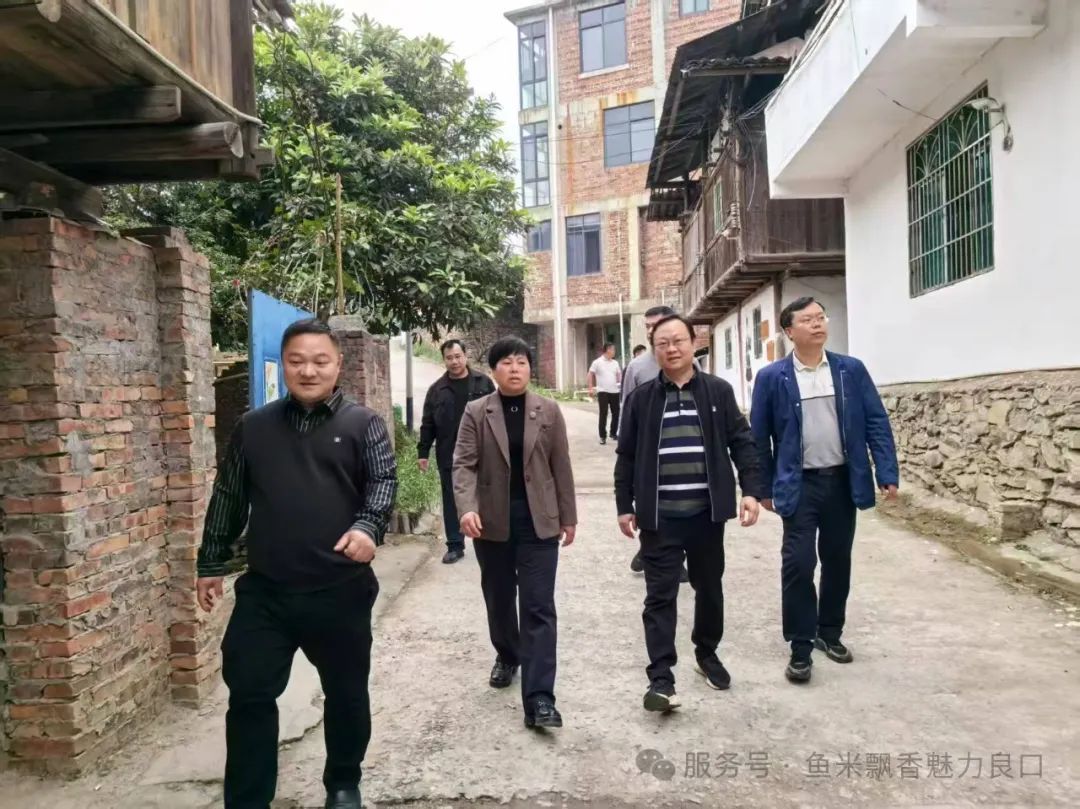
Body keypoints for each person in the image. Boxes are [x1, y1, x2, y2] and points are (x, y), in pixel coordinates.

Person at [195, 319, 396, 809]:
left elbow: (382, 482)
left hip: (339, 589)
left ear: (337, 364)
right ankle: (248, 799)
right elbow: (229, 496)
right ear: (283, 365)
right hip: (267, 592)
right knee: (248, 694)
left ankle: (343, 783)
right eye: (297, 361)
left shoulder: (362, 424)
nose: (309, 371)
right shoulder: (254, 427)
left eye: (320, 361)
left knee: (346, 693)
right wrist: (211, 562)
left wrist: (368, 527)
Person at [615, 314, 763, 713]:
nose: (672, 348)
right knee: (659, 598)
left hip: (706, 514)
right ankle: (661, 679)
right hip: (659, 518)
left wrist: (751, 491)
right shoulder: (641, 399)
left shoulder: (717, 391)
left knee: (709, 588)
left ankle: (706, 653)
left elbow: (742, 442)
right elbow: (626, 455)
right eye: (663, 343)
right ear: (654, 350)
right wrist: (624, 506)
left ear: (693, 342)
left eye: (678, 340)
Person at [750, 297, 899, 684]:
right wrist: (760, 487)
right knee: (798, 564)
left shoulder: (850, 370)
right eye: (807, 320)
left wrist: (886, 471)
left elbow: (876, 422)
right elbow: (759, 438)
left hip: (841, 483)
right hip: (799, 485)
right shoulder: (772, 378)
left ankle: (829, 633)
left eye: (821, 317)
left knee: (837, 560)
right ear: (789, 331)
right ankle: (800, 647)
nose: (817, 324)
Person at [453, 336, 577, 729]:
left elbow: (561, 465)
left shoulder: (548, 410)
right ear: (493, 370)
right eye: (506, 362)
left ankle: (540, 699)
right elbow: (464, 464)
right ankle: (508, 654)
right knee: (500, 597)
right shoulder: (476, 412)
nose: (515, 368)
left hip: (539, 522)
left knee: (539, 606)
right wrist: (467, 507)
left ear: (530, 368)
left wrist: (568, 516)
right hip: (492, 523)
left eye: (521, 362)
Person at [620, 305, 699, 580]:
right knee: (654, 510)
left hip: (686, 456)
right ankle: (651, 551)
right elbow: (627, 407)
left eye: (658, 324)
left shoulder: (692, 363)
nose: (653, 330)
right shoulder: (637, 367)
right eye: (649, 327)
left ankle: (669, 557)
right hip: (649, 454)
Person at [417, 339, 495, 564]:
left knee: (487, 495)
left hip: (483, 451)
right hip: (448, 452)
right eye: (449, 358)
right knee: (451, 499)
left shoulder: (483, 382)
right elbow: (428, 423)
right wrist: (423, 452)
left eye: (458, 356)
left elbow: (497, 414)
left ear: (465, 356)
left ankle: (490, 539)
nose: (454, 361)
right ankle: (454, 544)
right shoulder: (436, 390)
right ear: (444, 360)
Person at [588, 342, 622, 445]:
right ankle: (602, 436)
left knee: (616, 413)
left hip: (615, 391)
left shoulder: (615, 363)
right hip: (603, 391)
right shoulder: (597, 362)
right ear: (608, 350)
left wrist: (620, 383)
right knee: (603, 413)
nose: (614, 351)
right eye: (613, 349)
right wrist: (590, 388)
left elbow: (619, 375)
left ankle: (613, 433)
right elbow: (590, 374)